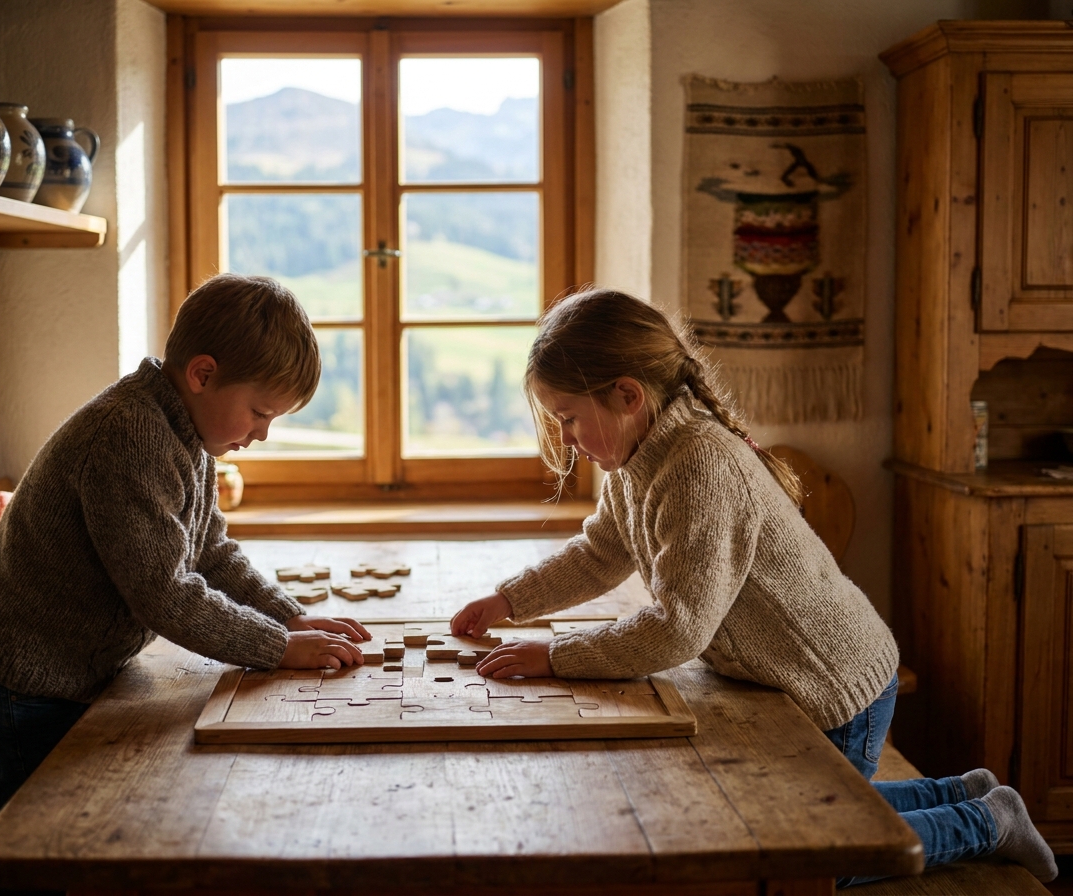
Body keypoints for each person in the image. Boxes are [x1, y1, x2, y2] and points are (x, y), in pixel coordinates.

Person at [449, 287, 1058, 886]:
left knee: (809, 860)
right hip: (773, 682)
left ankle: (986, 821)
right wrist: (510, 600)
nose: (567, 440)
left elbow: (677, 629)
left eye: (570, 419)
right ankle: (958, 791)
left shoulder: (698, 464)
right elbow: (602, 551)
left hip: (832, 690)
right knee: (799, 819)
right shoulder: (636, 458)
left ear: (627, 394)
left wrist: (557, 657)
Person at [0, 274, 370, 889]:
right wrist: (275, 647)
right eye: (261, 412)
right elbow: (166, 594)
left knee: (24, 817)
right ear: (204, 374)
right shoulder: (130, 435)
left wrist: (288, 616)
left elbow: (210, 551)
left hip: (52, 674)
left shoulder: (186, 433)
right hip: (15, 682)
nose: (263, 433)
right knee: (50, 850)